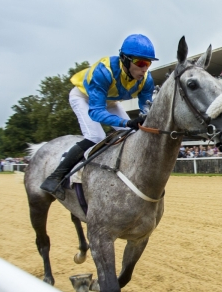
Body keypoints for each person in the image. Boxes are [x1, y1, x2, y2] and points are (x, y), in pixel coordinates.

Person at [40, 34, 157, 199]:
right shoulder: (104, 71)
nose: (145, 69)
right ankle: (54, 177)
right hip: (83, 98)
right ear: (125, 59)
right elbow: (96, 112)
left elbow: (146, 107)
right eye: (141, 63)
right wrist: (127, 121)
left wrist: (145, 118)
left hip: (110, 102)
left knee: (132, 135)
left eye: (149, 63)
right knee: (96, 136)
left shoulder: (146, 79)